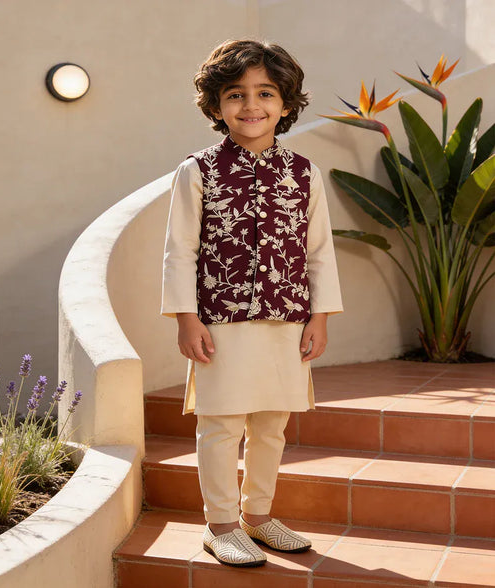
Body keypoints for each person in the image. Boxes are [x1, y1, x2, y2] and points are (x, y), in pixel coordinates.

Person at [161, 39, 343, 567]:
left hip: (287, 318)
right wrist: (186, 318)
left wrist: (320, 317)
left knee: (271, 425)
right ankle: (220, 524)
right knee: (221, 424)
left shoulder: (304, 172)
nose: (251, 105)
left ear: (285, 104)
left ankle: (258, 517)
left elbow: (319, 251)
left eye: (265, 93)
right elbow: (179, 250)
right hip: (219, 321)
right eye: (235, 94)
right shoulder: (197, 171)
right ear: (217, 105)